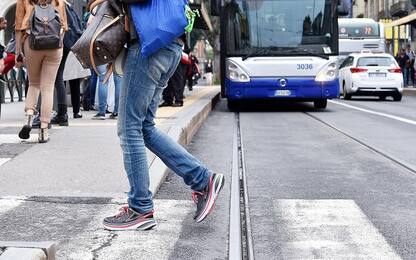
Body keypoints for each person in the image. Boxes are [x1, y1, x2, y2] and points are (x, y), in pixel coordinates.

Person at [102, 2, 225, 231]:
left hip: (150, 46)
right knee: (144, 127)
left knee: (129, 128)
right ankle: (202, 179)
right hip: (169, 46)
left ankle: (140, 208)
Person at [15, 0, 67, 143]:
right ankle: (44, 131)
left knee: (34, 83)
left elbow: (18, 27)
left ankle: (29, 116)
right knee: (48, 88)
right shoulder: (58, 1)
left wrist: (17, 53)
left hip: (32, 43)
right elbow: (64, 26)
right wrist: (58, 43)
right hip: (55, 46)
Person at [52, 0, 84, 126]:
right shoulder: (69, 6)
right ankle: (72, 112)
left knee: (58, 79)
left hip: (60, 42)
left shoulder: (57, 4)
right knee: (70, 80)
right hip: (71, 44)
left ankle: (60, 113)